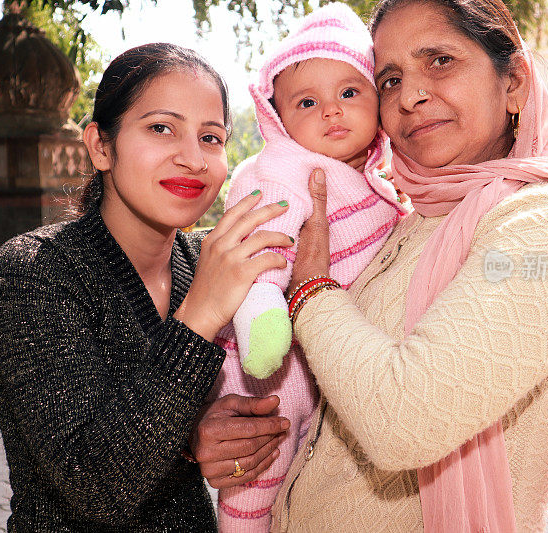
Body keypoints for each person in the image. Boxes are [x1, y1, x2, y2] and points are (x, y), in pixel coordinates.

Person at [251, 0, 548, 530]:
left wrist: (310, 291)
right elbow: (337, 392)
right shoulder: (410, 215)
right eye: (391, 79)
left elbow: (405, 419)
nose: (412, 95)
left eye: (440, 61)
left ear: (514, 81)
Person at [0, 43, 293, 531]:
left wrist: (197, 439)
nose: (193, 158)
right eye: (161, 128)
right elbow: (98, 486)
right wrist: (199, 316)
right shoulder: (35, 272)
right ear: (101, 146)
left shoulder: (202, 260)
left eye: (211, 137)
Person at [211, 4, 405, 530]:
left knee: (308, 481)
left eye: (349, 92)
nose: (332, 112)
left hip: (338, 364)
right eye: (307, 101)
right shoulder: (283, 168)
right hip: (276, 368)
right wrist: (264, 311)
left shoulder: (380, 179)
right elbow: (260, 244)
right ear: (278, 116)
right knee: (258, 479)